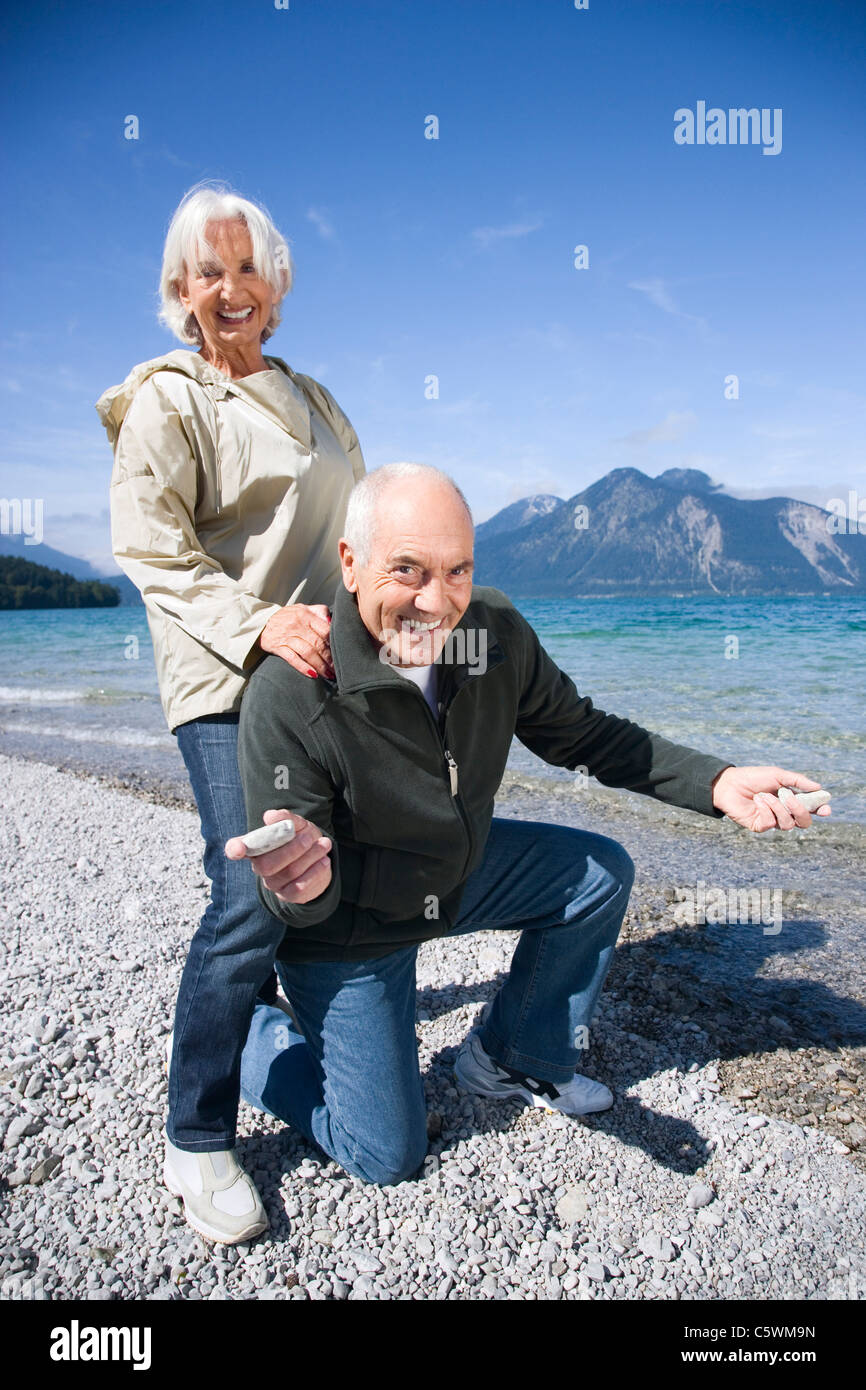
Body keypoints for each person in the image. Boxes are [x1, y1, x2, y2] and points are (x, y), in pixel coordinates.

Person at [228, 463, 830, 1191]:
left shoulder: (494, 634)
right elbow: (298, 895)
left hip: (453, 873)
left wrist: (714, 781)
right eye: (408, 569)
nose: (435, 600)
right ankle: (249, 1037)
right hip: (351, 929)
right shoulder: (290, 693)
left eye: (457, 571)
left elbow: (586, 735)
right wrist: (305, 886)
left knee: (599, 874)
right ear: (351, 564)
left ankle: (512, 1055)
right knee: (385, 1154)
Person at [96, 182, 365, 1244]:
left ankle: (289, 1019)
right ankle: (195, 1134)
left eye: (248, 267)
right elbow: (151, 548)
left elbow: (358, 524)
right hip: (221, 673)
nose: (231, 287)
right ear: (179, 290)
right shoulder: (168, 399)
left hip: (317, 671)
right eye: (208, 271)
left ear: (279, 285)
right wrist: (254, 624)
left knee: (328, 860)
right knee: (255, 883)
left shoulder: (316, 397)